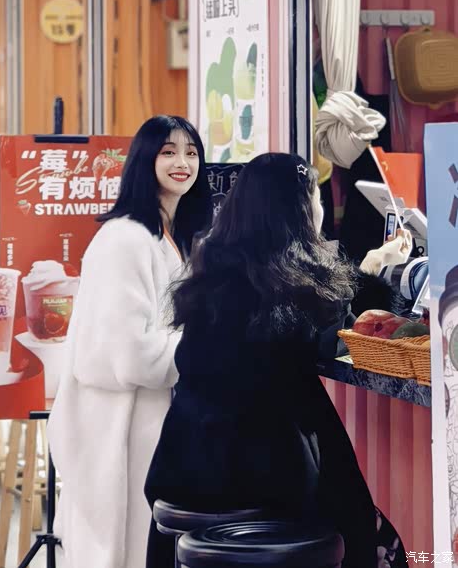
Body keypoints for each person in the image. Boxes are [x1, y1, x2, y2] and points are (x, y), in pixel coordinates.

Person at [145, 152, 410, 568]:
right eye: (316, 199)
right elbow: (347, 334)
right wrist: (374, 268)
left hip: (184, 469)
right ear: (303, 211)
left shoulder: (208, 276)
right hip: (268, 480)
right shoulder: (304, 285)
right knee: (372, 536)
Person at [47, 115, 213, 568]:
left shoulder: (170, 237)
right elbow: (131, 355)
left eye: (191, 152)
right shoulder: (125, 239)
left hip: (147, 416)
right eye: (168, 152)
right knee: (123, 547)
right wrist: (202, 340)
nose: (182, 163)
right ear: (145, 160)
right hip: (118, 422)